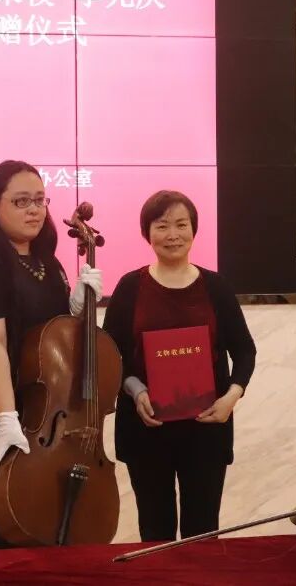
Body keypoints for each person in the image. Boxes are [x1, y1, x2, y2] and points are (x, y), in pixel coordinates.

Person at [0, 160, 102, 550]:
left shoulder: (46, 262)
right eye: (21, 201)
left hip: (43, 415)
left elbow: (52, 343)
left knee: (44, 529)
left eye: (39, 200)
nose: (34, 210)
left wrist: (76, 309)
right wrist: (6, 420)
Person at [102, 190, 256, 541]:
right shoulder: (130, 287)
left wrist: (231, 397)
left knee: (202, 532)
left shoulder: (216, 287)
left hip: (207, 428)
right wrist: (136, 391)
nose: (173, 234)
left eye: (181, 225)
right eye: (162, 226)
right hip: (146, 428)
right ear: (147, 233)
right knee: (155, 531)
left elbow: (244, 351)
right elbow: (111, 355)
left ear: (193, 230)